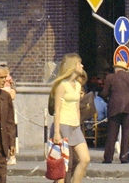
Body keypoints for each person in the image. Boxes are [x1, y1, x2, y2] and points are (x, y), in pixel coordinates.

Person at [49, 53, 90, 183]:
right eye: (79, 63)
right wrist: (56, 132)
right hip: (62, 125)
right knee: (62, 165)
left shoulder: (77, 85)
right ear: (73, 66)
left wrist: (78, 124)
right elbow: (57, 110)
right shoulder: (62, 85)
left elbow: (77, 107)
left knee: (85, 159)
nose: (82, 66)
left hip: (74, 126)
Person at [103, 56, 129, 166]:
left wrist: (108, 99)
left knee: (112, 134)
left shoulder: (110, 77)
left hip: (114, 107)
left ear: (116, 68)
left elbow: (105, 93)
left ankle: (108, 157)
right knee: (126, 133)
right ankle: (124, 157)